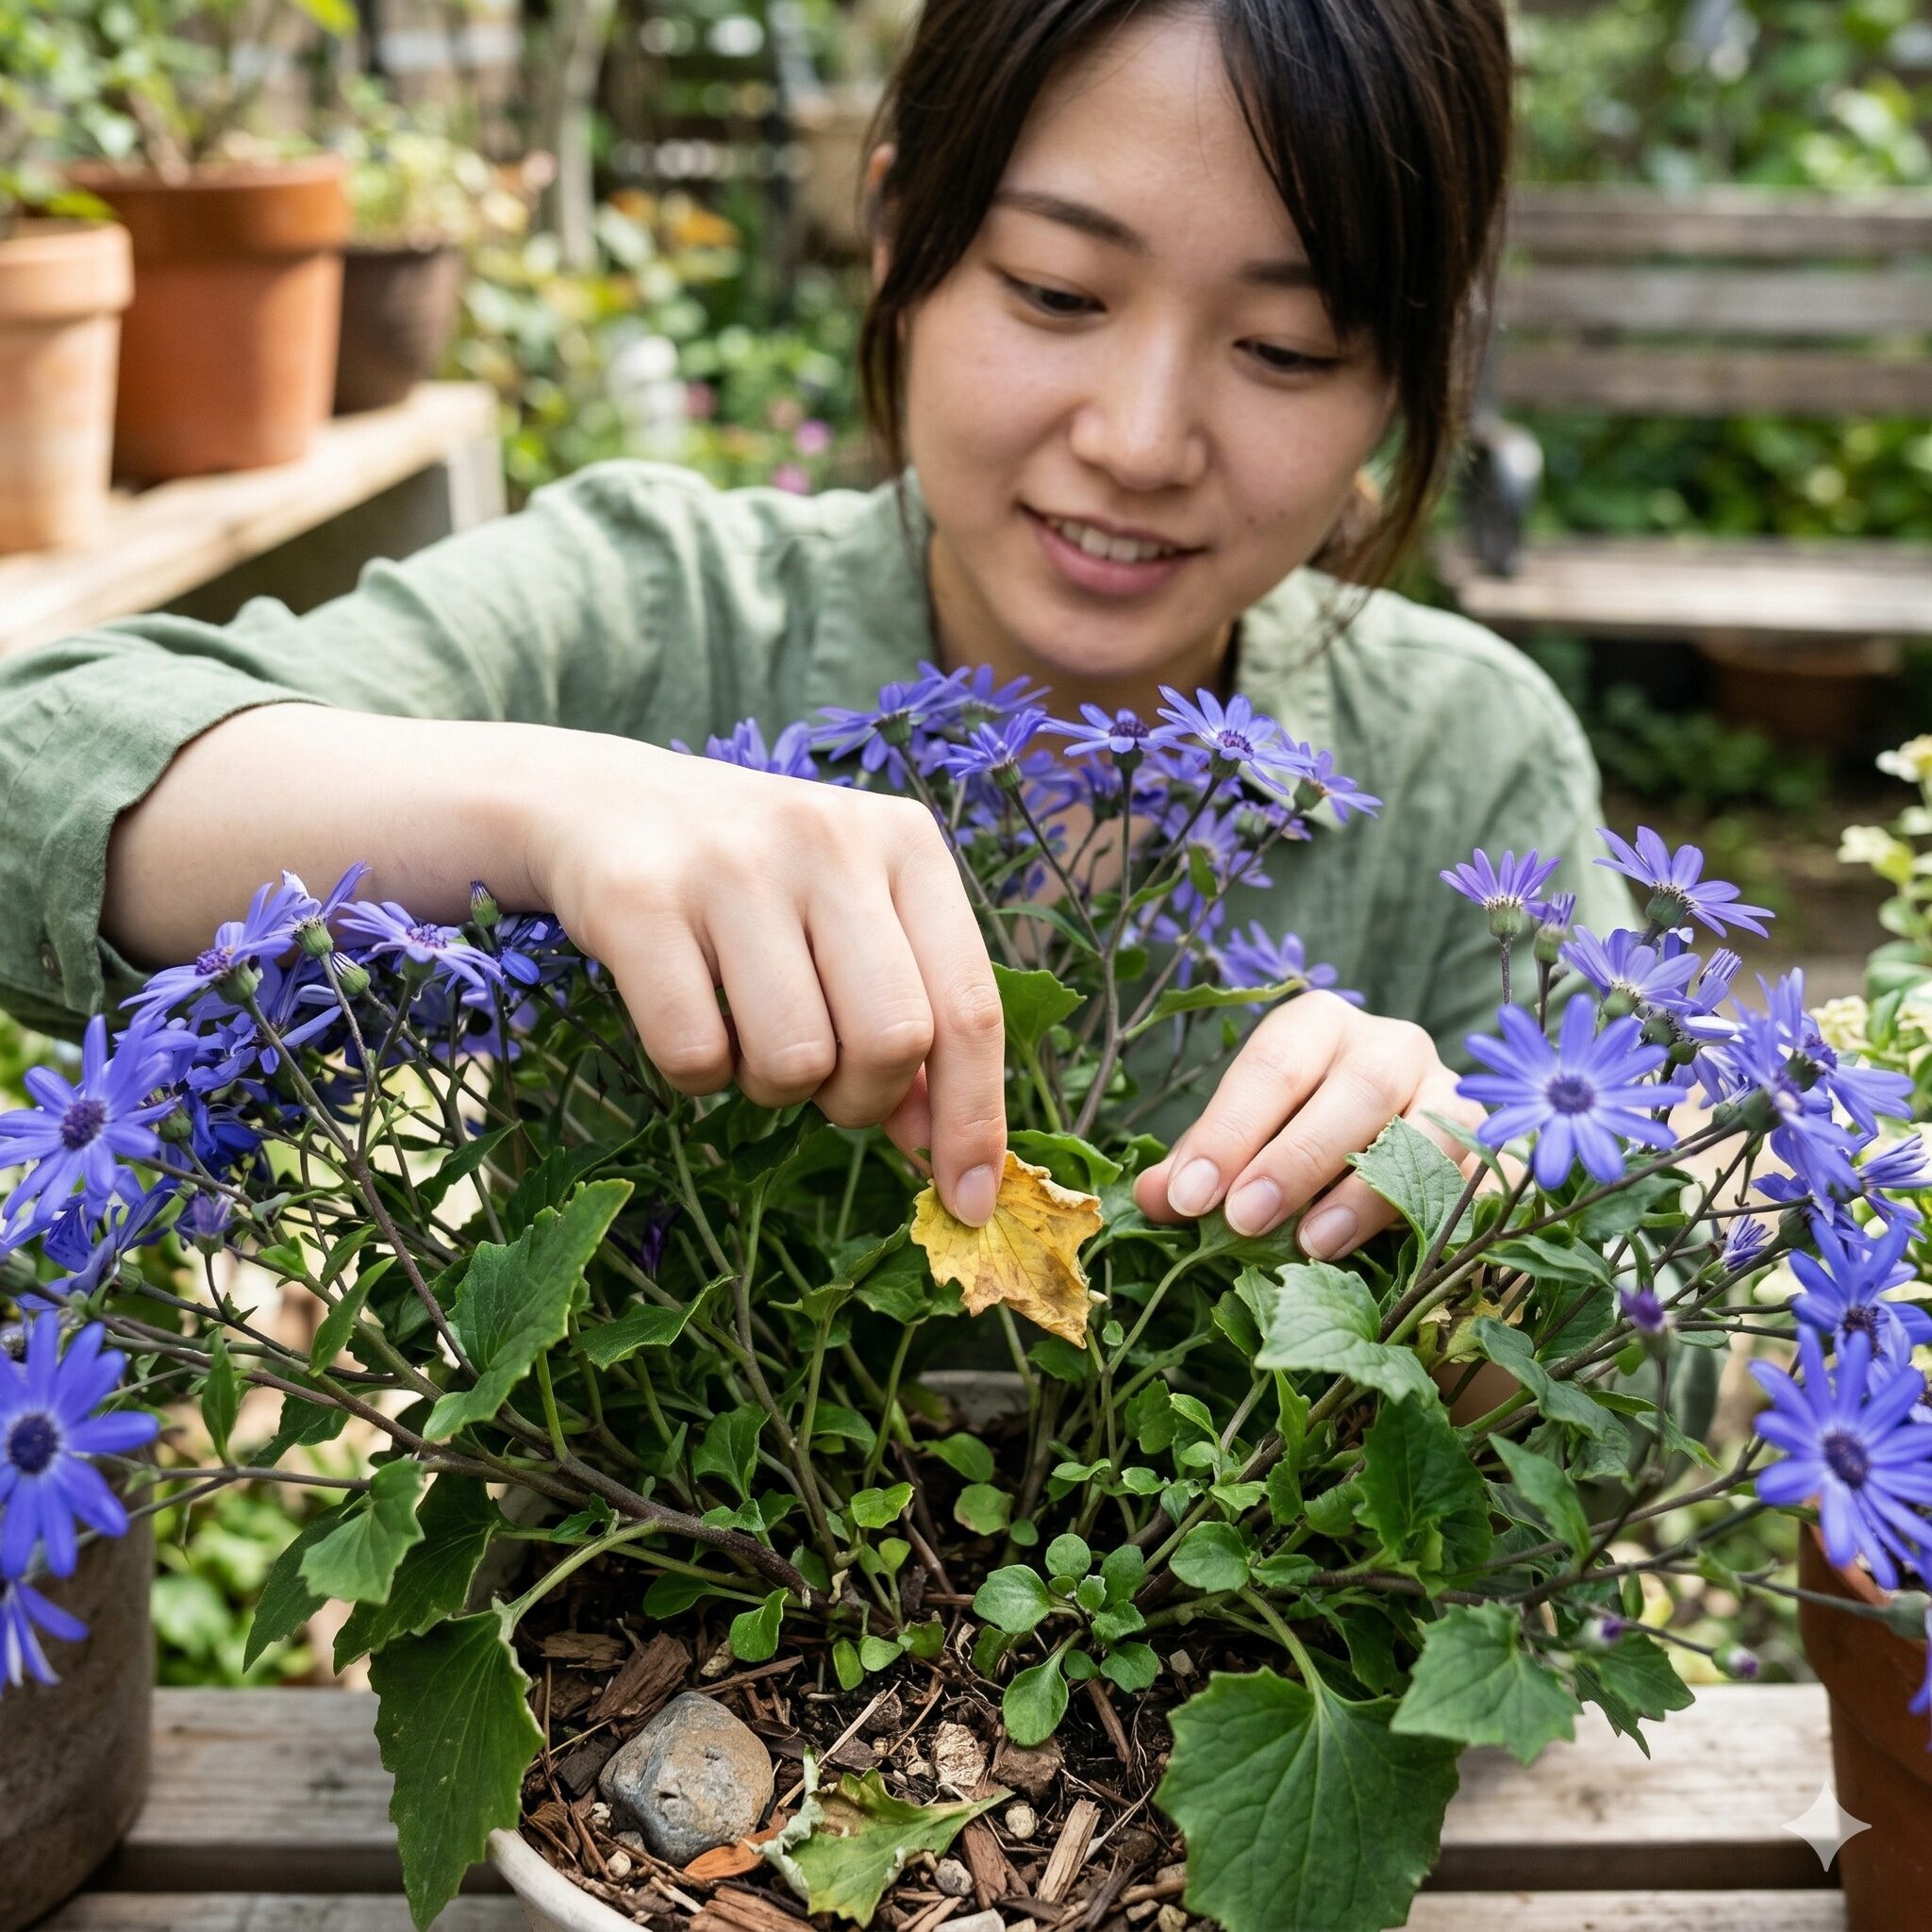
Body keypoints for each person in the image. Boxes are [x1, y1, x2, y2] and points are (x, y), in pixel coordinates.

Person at [0, 0, 1628, 1266]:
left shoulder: (1463, 761)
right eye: (1057, 292)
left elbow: (1642, 1384)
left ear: (1409, 372)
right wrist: (550, 806)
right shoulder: (654, 612)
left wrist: (1468, 1245)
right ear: (901, 234)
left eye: (1286, 347)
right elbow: (39, 761)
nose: (1140, 441)